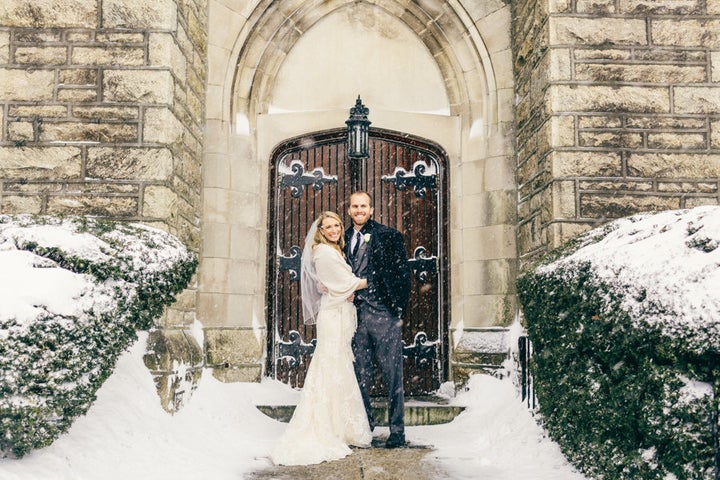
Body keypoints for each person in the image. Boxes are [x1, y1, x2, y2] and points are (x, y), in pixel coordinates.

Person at [270, 211, 372, 466]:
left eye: (337, 225)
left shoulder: (332, 251)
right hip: (334, 317)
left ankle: (339, 425)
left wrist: (342, 288)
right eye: (329, 227)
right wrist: (374, 279)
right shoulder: (324, 252)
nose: (335, 229)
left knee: (337, 367)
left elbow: (335, 284)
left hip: (339, 313)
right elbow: (347, 283)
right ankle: (327, 427)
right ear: (321, 231)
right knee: (331, 367)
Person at [344, 191, 411, 449]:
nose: (359, 210)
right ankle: (365, 428)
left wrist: (397, 311)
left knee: (393, 375)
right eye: (354, 206)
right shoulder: (343, 238)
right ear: (349, 211)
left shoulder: (389, 236)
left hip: (383, 315)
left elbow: (402, 276)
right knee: (359, 375)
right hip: (354, 318)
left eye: (363, 206)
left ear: (371, 209)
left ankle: (397, 432)